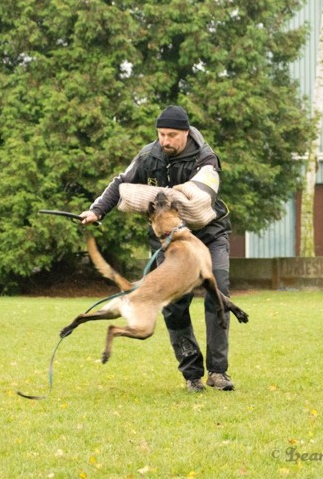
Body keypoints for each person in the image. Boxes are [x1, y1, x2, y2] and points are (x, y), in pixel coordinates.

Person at [80, 105, 234, 392]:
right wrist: (97, 210)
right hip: (168, 241)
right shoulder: (148, 156)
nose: (165, 140)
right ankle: (192, 375)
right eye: (161, 134)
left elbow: (201, 199)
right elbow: (121, 183)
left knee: (219, 293)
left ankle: (218, 372)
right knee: (174, 306)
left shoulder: (205, 159)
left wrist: (154, 196)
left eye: (171, 135)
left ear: (186, 133)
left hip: (209, 236)